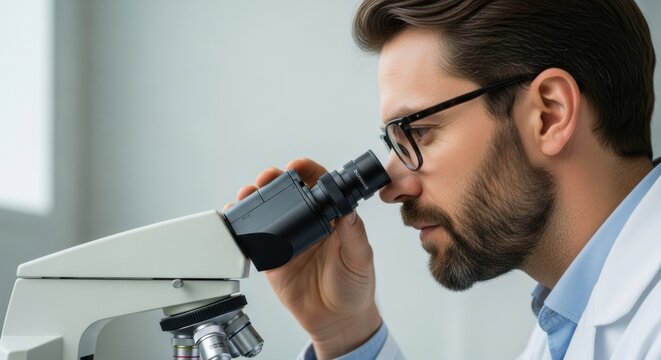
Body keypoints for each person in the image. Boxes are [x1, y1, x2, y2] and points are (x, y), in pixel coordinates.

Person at [227, 0, 660, 358]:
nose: (392, 187)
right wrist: (345, 332)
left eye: (417, 133)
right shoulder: (568, 319)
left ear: (549, 115)